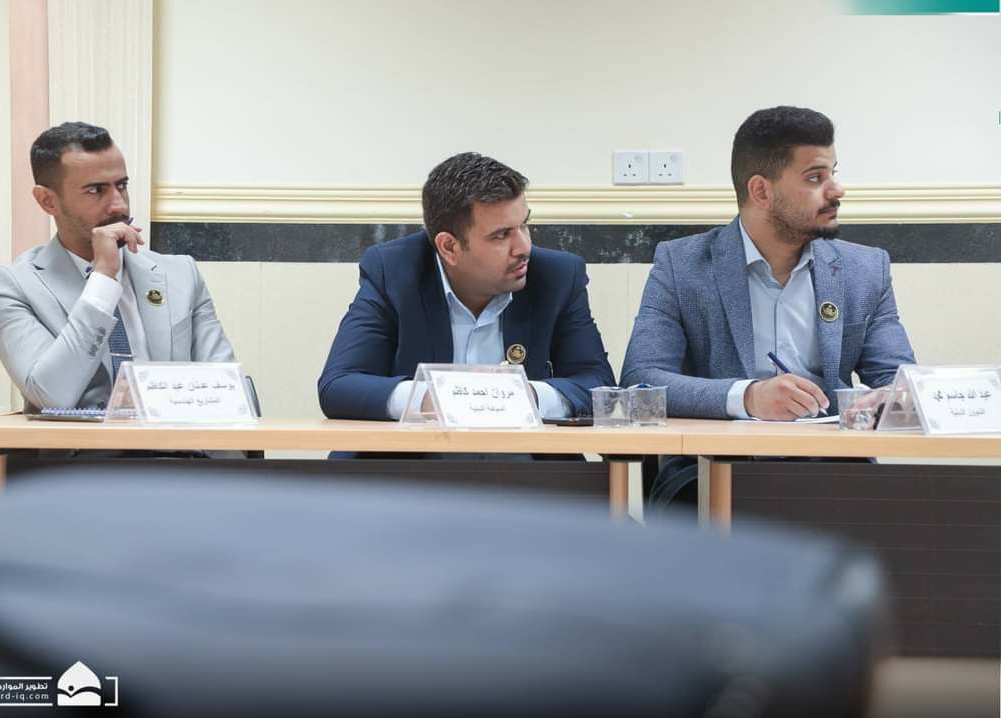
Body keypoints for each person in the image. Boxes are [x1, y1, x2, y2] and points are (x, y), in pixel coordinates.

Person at [621, 106, 915, 504]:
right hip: (710, 469)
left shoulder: (864, 269)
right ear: (761, 191)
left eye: (833, 172)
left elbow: (899, 379)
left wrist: (891, 396)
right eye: (815, 178)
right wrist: (748, 397)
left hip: (832, 469)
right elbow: (640, 381)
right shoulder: (681, 265)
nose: (837, 190)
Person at [319, 152, 614, 422]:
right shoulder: (394, 271)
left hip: (524, 459)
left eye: (524, 225)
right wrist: (432, 398)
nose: (524, 247)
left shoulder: (557, 276)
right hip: (412, 458)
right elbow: (339, 385)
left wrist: (530, 396)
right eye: (501, 235)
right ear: (449, 247)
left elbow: (599, 385)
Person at [0, 122, 235, 412]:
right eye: (95, 190)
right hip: (79, 443)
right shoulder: (12, 286)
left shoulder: (181, 274)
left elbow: (227, 392)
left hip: (173, 439)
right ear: (48, 201)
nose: (119, 206)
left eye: (122, 186)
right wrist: (103, 277)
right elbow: (51, 395)